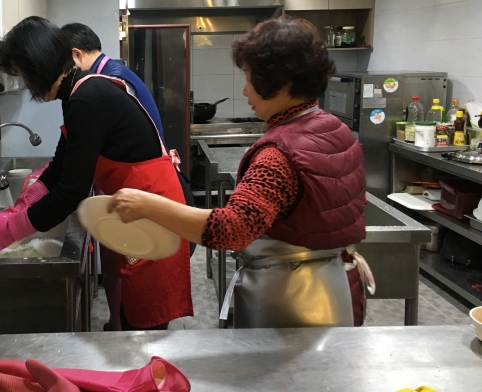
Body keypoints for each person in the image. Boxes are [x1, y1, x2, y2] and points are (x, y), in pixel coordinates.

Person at [108, 16, 372, 328]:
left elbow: (231, 230)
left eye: (249, 78)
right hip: (338, 286)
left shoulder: (278, 156)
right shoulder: (336, 129)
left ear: (280, 82)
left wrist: (148, 205)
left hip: (293, 300)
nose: (245, 90)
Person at [0, 16, 193, 331]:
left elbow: (70, 193)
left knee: (144, 328)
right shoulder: (78, 91)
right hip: (138, 210)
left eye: (23, 74)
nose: (25, 84)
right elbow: (61, 165)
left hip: (154, 214)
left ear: (37, 65)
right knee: (133, 317)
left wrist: (13, 228)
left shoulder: (87, 98)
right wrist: (24, 203)